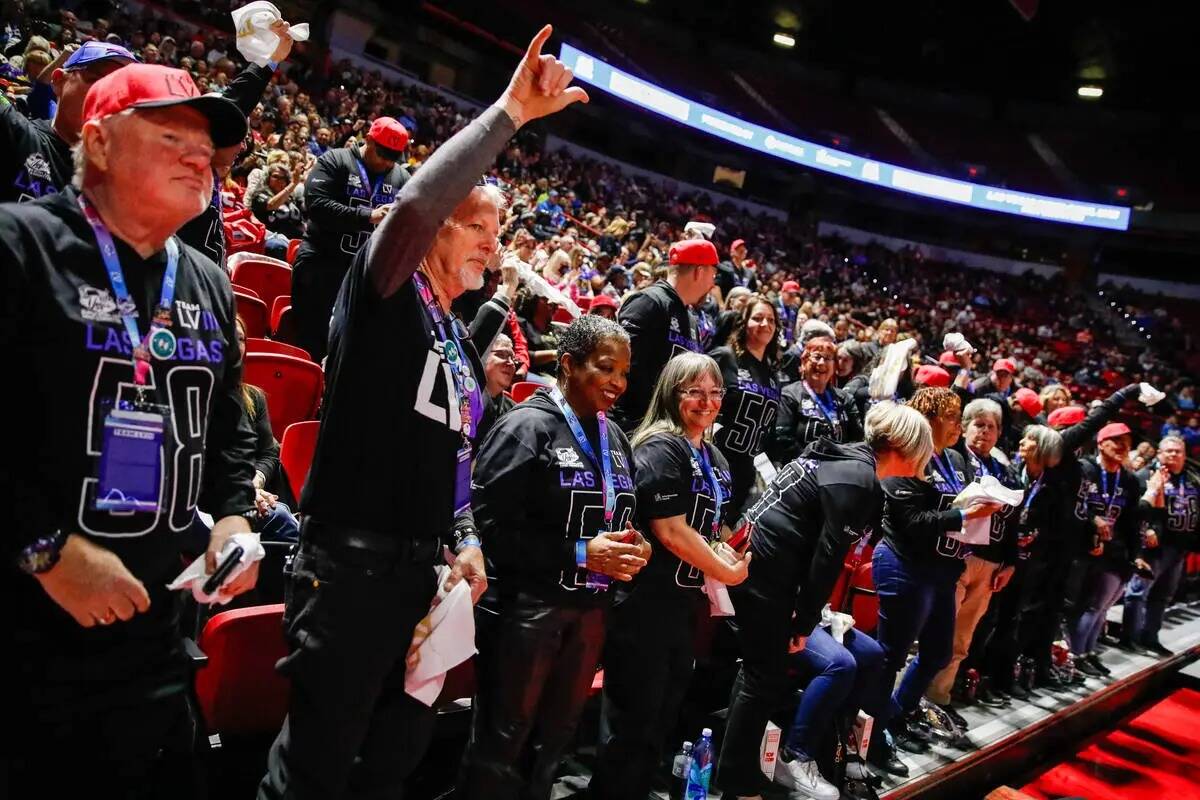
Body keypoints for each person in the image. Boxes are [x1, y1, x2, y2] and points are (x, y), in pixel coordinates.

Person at [259, 26, 586, 798]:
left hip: (423, 578)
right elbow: (408, 204)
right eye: (479, 226)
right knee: (314, 772)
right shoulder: (383, 291)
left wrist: (465, 541)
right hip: (348, 573)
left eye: (498, 234)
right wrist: (508, 114)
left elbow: (454, 454)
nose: (494, 249)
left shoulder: (456, 333)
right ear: (436, 225)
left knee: (394, 764)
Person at [3, 63, 258, 796]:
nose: (197, 156)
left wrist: (234, 515)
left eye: (206, 146)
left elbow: (226, 427)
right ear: (101, 144)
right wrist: (43, 549)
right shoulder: (19, 244)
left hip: (157, 637)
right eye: (172, 134)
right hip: (25, 635)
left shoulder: (207, 279)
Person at [459, 315, 651, 800]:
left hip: (588, 615)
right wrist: (582, 552)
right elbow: (491, 529)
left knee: (556, 740)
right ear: (567, 364)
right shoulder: (526, 426)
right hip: (525, 610)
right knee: (504, 742)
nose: (618, 383)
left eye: (624, 373)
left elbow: (621, 514)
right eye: (605, 369)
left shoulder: (616, 439)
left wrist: (635, 546)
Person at [716, 402, 935, 799]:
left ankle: (739, 773)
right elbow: (828, 557)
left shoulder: (845, 455)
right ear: (906, 447)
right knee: (762, 677)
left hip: (756, 559)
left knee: (758, 676)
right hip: (764, 570)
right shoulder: (863, 481)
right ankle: (738, 782)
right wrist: (803, 624)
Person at [591, 352, 750, 800]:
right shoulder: (661, 445)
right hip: (645, 601)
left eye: (715, 392)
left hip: (684, 604)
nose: (707, 401)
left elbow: (708, 526)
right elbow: (670, 529)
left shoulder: (714, 454)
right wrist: (727, 572)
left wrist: (725, 549)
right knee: (632, 723)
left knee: (661, 718)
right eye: (694, 391)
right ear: (671, 393)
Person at [865, 387, 1001, 774]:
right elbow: (912, 523)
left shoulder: (957, 459)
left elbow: (961, 505)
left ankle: (895, 715)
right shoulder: (908, 456)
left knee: (939, 652)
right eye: (952, 417)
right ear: (929, 419)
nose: (960, 425)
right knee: (890, 657)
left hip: (945, 567)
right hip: (906, 563)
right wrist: (962, 516)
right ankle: (872, 737)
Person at [925, 399, 1022, 715]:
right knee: (935, 633)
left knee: (962, 639)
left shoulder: (1003, 469)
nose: (985, 432)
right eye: (979, 424)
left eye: (991, 427)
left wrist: (1010, 562)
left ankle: (940, 698)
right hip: (955, 557)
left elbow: (1012, 521)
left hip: (990, 562)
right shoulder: (951, 459)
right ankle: (913, 700)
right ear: (964, 426)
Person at [290, 115, 412, 362]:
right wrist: (368, 216)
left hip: (364, 277)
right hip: (321, 264)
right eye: (383, 154)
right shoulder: (335, 160)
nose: (388, 162)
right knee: (310, 344)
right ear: (368, 140)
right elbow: (316, 204)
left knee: (350, 351)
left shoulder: (401, 178)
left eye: (393, 157)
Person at [1067, 423, 1154, 676]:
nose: (1123, 446)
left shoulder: (1127, 479)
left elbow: (1132, 521)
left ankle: (1089, 652)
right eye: (1116, 441)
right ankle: (1075, 656)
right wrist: (1092, 520)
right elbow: (1074, 505)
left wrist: (1136, 555)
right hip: (1082, 550)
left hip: (1113, 552)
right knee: (1082, 605)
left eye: (1127, 442)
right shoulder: (1085, 469)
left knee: (1101, 607)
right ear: (1101, 443)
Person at [1, 39, 134, 203]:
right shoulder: (15, 134)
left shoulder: (120, 183)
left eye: (121, 93)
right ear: (59, 80)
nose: (108, 97)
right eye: (97, 81)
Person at [612, 237, 718, 430]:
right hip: (634, 428)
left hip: (668, 430)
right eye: (713, 275)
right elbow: (624, 369)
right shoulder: (648, 302)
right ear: (699, 271)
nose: (713, 284)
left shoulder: (691, 319)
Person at [1121, 435, 1197, 655]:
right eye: (1169, 451)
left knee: (1162, 595)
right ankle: (1130, 638)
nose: (1173, 455)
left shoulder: (1191, 478)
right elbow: (1134, 510)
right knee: (1137, 593)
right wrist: (1145, 531)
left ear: (1184, 455)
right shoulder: (1146, 476)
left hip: (1180, 545)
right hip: (1153, 546)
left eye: (1178, 451)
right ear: (1159, 454)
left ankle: (1150, 637)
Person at [709, 295, 782, 519]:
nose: (765, 324)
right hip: (714, 462)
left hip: (746, 470)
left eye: (771, 320)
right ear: (744, 323)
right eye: (758, 318)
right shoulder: (725, 357)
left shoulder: (772, 375)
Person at [773, 335, 864, 464]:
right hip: (802, 472)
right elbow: (784, 440)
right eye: (816, 357)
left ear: (834, 366)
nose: (821, 363)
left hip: (840, 471)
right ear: (804, 362)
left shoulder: (845, 399)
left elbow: (857, 439)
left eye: (827, 358)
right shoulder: (789, 395)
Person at [250, 163, 307, 259]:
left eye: (283, 178)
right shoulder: (259, 194)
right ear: (268, 178)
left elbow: (302, 222)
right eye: (275, 177)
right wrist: (293, 184)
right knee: (278, 246)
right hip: (273, 239)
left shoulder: (291, 199)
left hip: (296, 240)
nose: (279, 181)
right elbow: (271, 205)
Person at [476, 332, 519, 444]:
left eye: (513, 358)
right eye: (502, 355)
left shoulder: (513, 411)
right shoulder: (463, 398)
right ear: (483, 355)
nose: (510, 363)